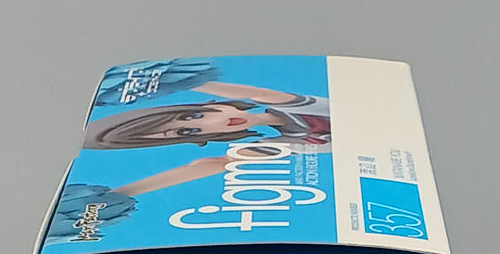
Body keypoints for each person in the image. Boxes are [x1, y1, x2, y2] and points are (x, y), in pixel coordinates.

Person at [84, 80, 331, 201]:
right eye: (190, 132)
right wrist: (117, 196)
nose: (214, 124)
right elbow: (216, 164)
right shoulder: (276, 145)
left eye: (195, 116)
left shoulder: (291, 106)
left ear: (210, 104)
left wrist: (180, 79)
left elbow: (258, 93)